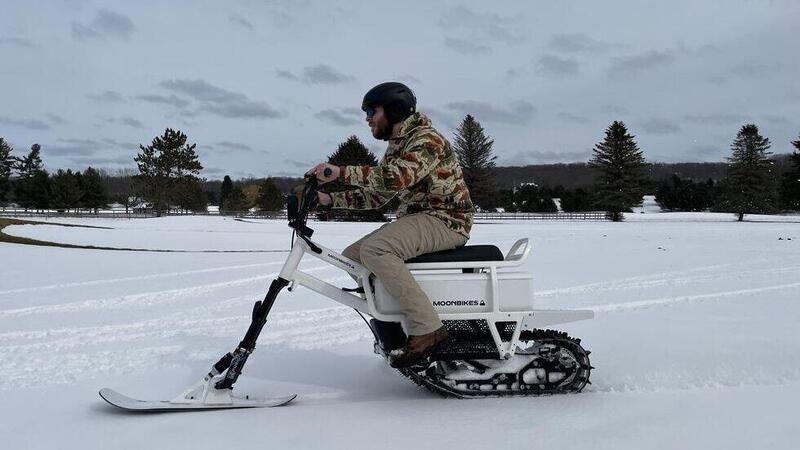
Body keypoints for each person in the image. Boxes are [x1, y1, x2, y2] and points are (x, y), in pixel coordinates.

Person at [307, 82, 474, 368]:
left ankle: (428, 329)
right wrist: (327, 199)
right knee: (353, 256)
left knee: (376, 250)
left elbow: (395, 178)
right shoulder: (398, 145)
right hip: (420, 218)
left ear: (394, 110)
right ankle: (391, 321)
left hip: (447, 219)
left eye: (372, 110)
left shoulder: (426, 139)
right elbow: (377, 196)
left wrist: (340, 171)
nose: (368, 118)